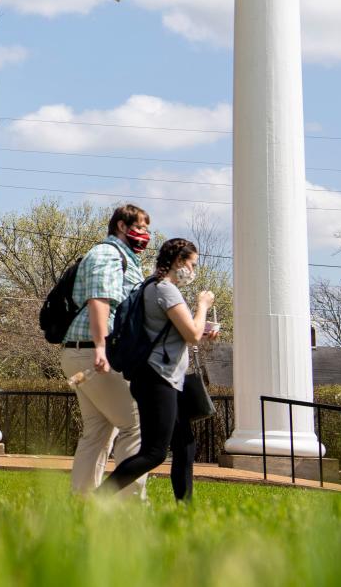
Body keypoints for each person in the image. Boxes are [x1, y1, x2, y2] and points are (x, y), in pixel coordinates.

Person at [101, 237, 217, 501]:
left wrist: (201, 327)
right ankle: (98, 498)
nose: (193, 271)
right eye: (192, 264)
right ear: (178, 261)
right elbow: (192, 335)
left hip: (163, 377)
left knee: (185, 443)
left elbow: (178, 330)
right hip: (158, 378)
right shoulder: (166, 289)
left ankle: (184, 508)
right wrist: (203, 305)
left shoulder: (150, 286)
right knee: (154, 452)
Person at [61, 203, 152, 496]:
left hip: (82, 352)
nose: (145, 235)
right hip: (93, 352)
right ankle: (128, 504)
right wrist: (101, 347)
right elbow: (100, 300)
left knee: (99, 430)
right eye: (140, 228)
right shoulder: (108, 254)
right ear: (122, 227)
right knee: (136, 423)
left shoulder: (122, 258)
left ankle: (82, 503)